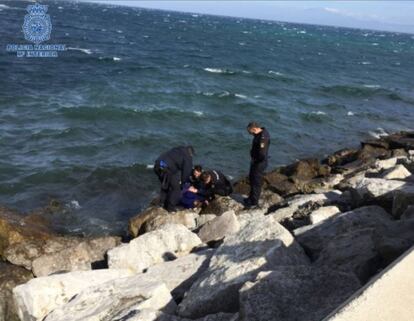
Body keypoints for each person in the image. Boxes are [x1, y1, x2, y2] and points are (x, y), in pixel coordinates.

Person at [154, 146, 194, 211]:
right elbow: (186, 172)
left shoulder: (176, 149)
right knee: (176, 189)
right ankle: (170, 207)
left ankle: (162, 203)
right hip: (166, 169)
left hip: (157, 165)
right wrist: (183, 183)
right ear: (191, 153)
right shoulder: (187, 156)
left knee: (166, 185)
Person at [244, 122, 270, 208]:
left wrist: (255, 160)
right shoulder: (258, 134)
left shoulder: (263, 137)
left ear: (254, 129)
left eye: (250, 132)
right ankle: (250, 198)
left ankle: (254, 203)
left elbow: (262, 154)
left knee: (256, 182)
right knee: (252, 179)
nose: (250, 134)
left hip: (259, 163)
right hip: (255, 161)